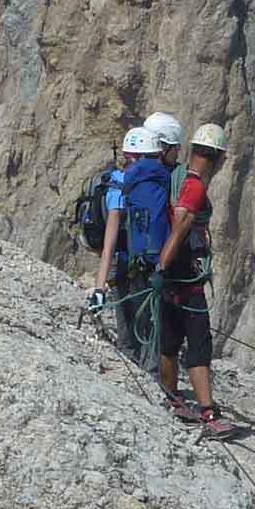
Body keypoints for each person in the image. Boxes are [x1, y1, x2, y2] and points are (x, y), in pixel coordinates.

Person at [153, 122, 231, 438]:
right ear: (217, 157)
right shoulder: (195, 186)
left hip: (169, 277)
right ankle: (208, 413)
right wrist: (163, 265)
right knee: (198, 344)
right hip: (186, 277)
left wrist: (160, 270)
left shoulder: (176, 178)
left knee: (170, 340)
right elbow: (183, 224)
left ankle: (172, 399)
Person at [97, 127, 163, 352]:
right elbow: (110, 245)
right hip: (138, 265)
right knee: (141, 331)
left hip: (129, 265)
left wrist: (99, 289)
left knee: (134, 333)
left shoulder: (124, 186)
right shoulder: (126, 188)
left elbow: (109, 247)